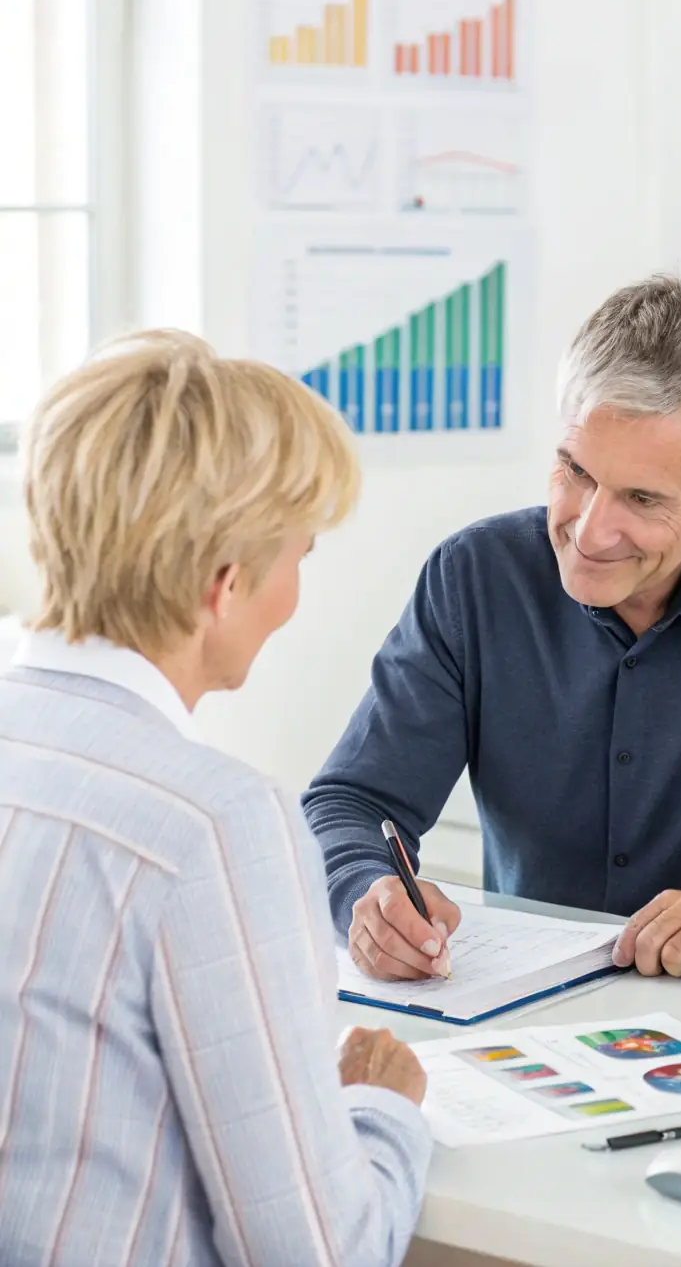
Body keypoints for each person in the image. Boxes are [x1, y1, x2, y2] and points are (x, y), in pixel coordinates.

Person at [303, 276, 681, 987]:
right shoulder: (474, 578)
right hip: (525, 1027)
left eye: (642, 498)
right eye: (575, 470)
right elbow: (351, 802)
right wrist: (364, 896)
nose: (589, 530)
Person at [0, 332, 430, 1267]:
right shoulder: (212, 825)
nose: (296, 594)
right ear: (224, 585)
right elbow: (322, 1253)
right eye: (299, 555)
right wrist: (384, 1108)